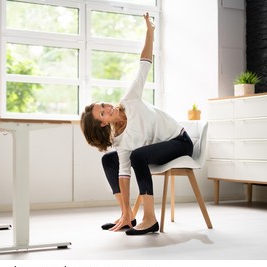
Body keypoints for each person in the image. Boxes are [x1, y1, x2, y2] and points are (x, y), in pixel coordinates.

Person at [80, 13, 194, 235]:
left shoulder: (129, 100)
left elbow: (144, 65)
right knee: (109, 160)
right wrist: (124, 210)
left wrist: (150, 32)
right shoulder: (120, 140)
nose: (107, 108)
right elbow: (124, 175)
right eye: (102, 112)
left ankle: (150, 219)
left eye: (103, 104)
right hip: (156, 149)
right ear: (102, 125)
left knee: (138, 156)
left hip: (179, 141)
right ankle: (128, 216)